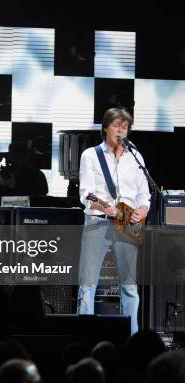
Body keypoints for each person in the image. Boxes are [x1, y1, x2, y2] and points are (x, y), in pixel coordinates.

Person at [77, 107, 150, 335]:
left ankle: (132, 336)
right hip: (99, 221)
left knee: (129, 286)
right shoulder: (91, 155)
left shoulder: (135, 157)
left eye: (125, 127)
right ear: (106, 128)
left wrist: (142, 210)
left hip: (127, 222)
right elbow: (86, 194)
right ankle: (85, 335)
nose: (121, 130)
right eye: (117, 126)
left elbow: (144, 193)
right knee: (88, 283)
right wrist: (105, 206)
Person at [0, 141, 48, 206]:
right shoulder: (4, 174)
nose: (16, 160)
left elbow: (39, 199)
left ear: (26, 157)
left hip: (26, 214)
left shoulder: (36, 174)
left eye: (19, 157)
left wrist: (13, 187)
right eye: (13, 156)